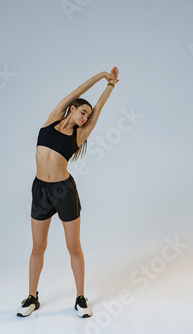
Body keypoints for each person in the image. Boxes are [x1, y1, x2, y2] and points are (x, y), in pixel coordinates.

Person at [17, 67, 120, 318]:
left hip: (64, 192)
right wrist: (101, 76)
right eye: (82, 112)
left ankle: (80, 298)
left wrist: (111, 86)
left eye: (88, 115)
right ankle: (32, 297)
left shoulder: (80, 135)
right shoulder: (52, 119)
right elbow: (78, 92)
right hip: (40, 190)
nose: (85, 117)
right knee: (37, 247)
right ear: (72, 109)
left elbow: (99, 110)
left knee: (73, 247)